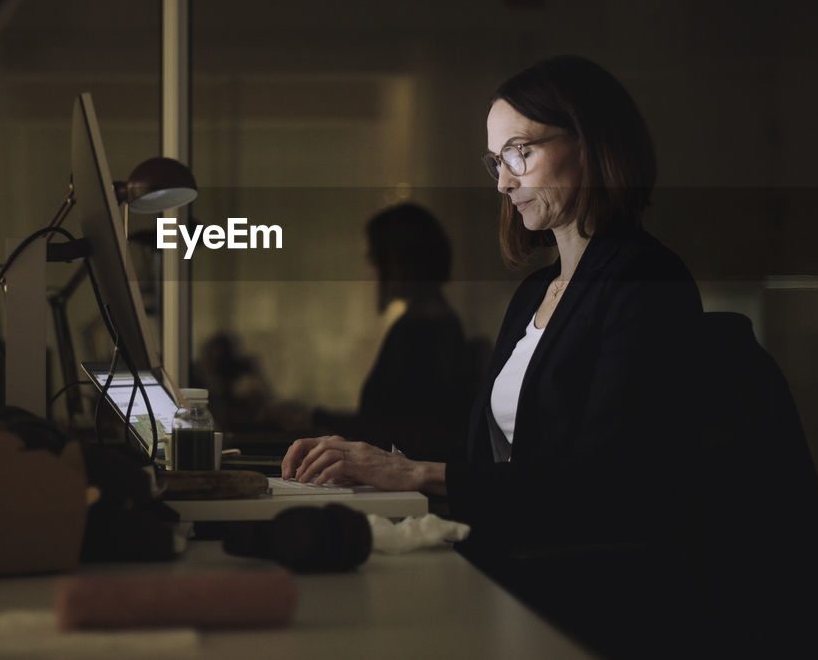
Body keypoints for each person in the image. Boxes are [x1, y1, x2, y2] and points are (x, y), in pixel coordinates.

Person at [282, 55, 710, 654]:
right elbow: (492, 457)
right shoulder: (538, 290)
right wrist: (384, 465)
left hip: (591, 595)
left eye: (520, 153)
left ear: (590, 142)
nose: (504, 183)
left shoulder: (645, 281)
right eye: (496, 162)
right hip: (514, 564)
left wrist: (412, 475)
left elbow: (607, 485)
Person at [309, 203, 476, 462]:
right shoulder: (435, 322)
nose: (371, 273)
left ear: (398, 260)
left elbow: (389, 429)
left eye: (375, 260)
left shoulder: (421, 330)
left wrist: (313, 418)